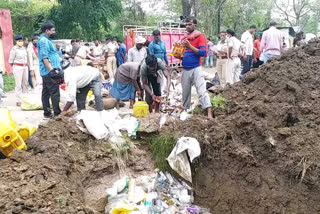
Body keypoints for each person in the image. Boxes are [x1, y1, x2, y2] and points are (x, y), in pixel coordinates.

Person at [180, 17, 212, 118]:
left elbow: (203, 53)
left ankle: (209, 113)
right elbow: (182, 53)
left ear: (195, 25)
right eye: (186, 25)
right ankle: (185, 112)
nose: (187, 26)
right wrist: (177, 53)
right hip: (185, 69)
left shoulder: (200, 36)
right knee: (185, 93)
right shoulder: (184, 38)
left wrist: (190, 46)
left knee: (202, 90)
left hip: (196, 68)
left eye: (189, 24)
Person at [38, 21, 62, 118]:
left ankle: (47, 112)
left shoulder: (46, 40)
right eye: (53, 30)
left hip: (47, 71)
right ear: (47, 30)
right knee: (54, 92)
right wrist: (52, 70)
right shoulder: (43, 41)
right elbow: (44, 57)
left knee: (46, 92)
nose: (54, 32)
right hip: (49, 71)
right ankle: (57, 113)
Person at [8, 35, 28, 106]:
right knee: (18, 84)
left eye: (21, 41)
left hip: (25, 67)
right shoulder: (14, 49)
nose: (20, 42)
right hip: (17, 67)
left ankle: (26, 99)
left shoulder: (24, 48)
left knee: (25, 83)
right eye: (19, 41)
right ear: (16, 41)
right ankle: (18, 100)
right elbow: (10, 61)